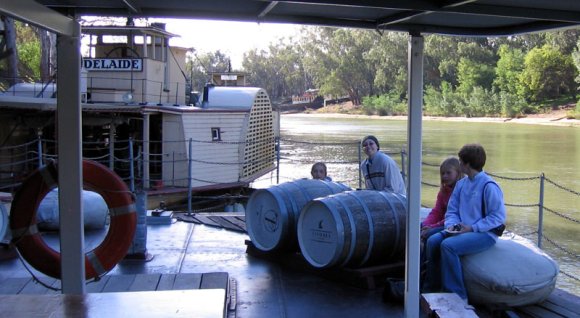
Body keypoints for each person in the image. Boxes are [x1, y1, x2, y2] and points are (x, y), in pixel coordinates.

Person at [424, 143, 506, 304]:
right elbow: (452, 210)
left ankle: (457, 296)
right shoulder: (462, 184)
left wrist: (472, 227)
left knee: (448, 246)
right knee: (433, 241)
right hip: (461, 229)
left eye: (461, 162)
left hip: (484, 234)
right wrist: (452, 225)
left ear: (467, 164)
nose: (459, 164)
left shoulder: (489, 186)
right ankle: (431, 288)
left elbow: (498, 217)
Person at [421, 157, 463, 241]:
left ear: (458, 173)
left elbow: (453, 216)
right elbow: (437, 211)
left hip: (452, 225)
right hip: (440, 223)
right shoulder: (443, 192)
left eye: (448, 173)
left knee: (428, 234)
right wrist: (426, 224)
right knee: (417, 228)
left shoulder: (462, 192)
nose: (445, 176)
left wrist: (432, 227)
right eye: (443, 173)